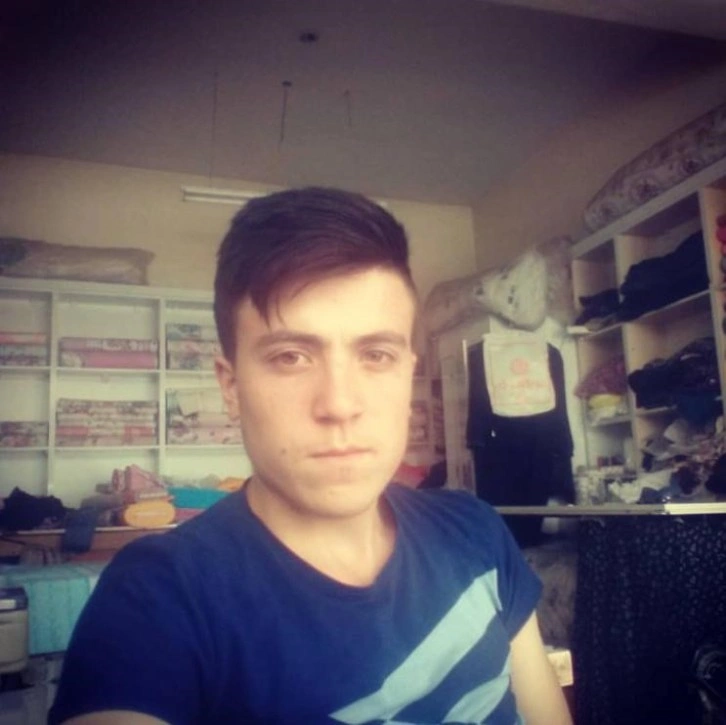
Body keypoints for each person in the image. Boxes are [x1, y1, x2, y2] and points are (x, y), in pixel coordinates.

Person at [49, 187, 572, 725]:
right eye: (291, 357)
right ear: (230, 386)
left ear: (408, 372)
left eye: (376, 354)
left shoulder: (477, 532)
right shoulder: (157, 599)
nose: (339, 404)